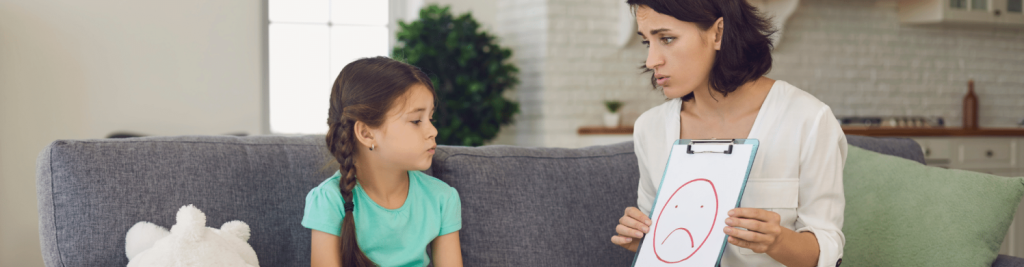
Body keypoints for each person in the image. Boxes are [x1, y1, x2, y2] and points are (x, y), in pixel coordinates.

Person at [610, 1, 847, 266]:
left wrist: (778, 241)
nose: (652, 60)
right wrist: (642, 239)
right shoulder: (650, 128)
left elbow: (827, 250)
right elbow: (663, 245)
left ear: (718, 33)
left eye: (667, 39)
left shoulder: (808, 120)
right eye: (647, 43)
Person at [303, 56, 463, 267]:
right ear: (367, 133)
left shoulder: (442, 198)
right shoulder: (329, 200)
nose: (433, 131)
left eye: (430, 118)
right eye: (416, 121)